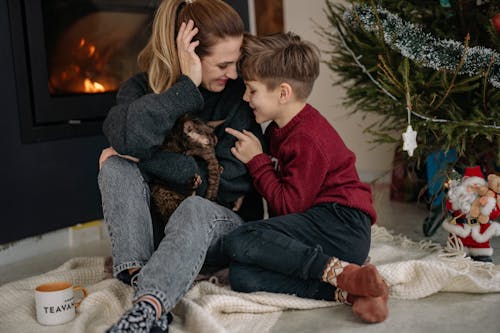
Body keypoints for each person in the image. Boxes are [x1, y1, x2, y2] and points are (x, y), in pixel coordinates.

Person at [97, 0, 265, 332]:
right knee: (116, 167)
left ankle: (149, 306)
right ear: (187, 56)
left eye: (235, 63)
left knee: (194, 208)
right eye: (223, 65)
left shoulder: (237, 96)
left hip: (219, 229)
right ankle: (141, 284)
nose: (233, 74)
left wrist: (149, 159)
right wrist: (185, 88)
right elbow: (126, 138)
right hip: (164, 242)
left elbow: (223, 183)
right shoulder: (140, 88)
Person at [223, 32, 389, 323]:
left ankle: (343, 273)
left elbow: (289, 208)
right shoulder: (277, 129)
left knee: (240, 239)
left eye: (252, 91)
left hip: (341, 224)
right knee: (242, 275)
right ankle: (351, 291)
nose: (245, 97)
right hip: (320, 227)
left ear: (283, 93)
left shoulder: (308, 138)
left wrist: (257, 161)